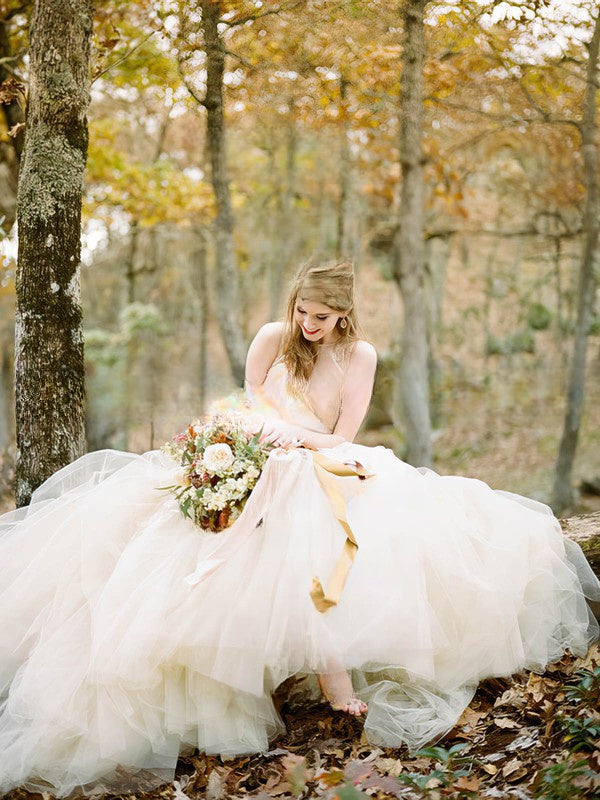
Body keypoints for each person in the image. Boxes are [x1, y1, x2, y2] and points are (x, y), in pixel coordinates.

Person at [0, 259, 598, 797]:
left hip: (325, 463)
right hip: (258, 454)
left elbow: (342, 434)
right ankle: (238, 675)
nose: (309, 324)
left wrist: (296, 440)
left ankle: (335, 678)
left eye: (323, 316)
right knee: (183, 542)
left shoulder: (359, 356)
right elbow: (253, 399)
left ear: (344, 315)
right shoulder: (271, 338)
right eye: (303, 312)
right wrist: (253, 437)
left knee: (330, 536)